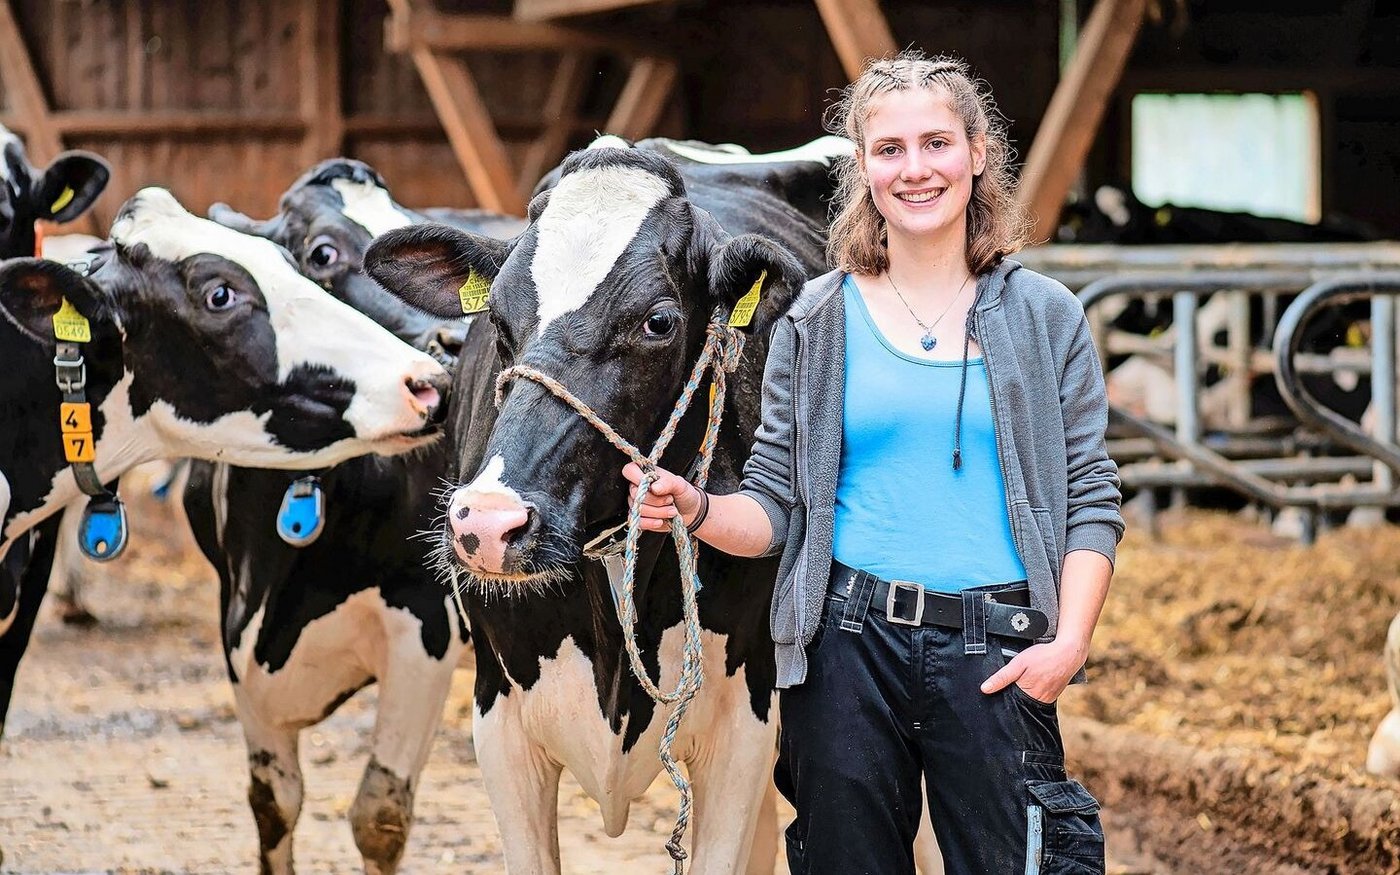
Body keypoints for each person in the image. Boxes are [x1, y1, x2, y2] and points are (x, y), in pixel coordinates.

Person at [624, 50, 1122, 875]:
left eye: (936, 143)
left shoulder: (1046, 316)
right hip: (848, 647)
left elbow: (1092, 498)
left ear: (978, 153)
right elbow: (775, 508)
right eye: (890, 149)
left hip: (1000, 649)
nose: (915, 169)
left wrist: (1069, 641)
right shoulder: (817, 321)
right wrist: (698, 507)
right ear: (862, 166)